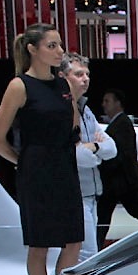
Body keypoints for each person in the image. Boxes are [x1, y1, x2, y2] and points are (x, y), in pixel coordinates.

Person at [0, 23, 84, 275]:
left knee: (74, 240)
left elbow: (73, 126)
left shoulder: (63, 84)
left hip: (66, 169)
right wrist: (24, 161)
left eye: (60, 45)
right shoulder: (19, 86)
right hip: (36, 174)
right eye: (52, 46)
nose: (60, 51)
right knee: (39, 245)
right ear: (33, 49)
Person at [59, 53, 116, 262]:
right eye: (78, 74)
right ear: (63, 77)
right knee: (85, 256)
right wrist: (96, 151)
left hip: (91, 194)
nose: (85, 79)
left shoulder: (86, 109)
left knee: (85, 254)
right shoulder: (61, 110)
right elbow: (77, 156)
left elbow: (112, 148)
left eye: (87, 74)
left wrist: (93, 147)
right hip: (74, 194)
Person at [97, 89, 138, 248]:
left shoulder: (122, 124)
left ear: (118, 103)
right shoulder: (118, 123)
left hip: (119, 180)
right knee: (130, 210)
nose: (104, 105)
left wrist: (103, 165)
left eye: (107, 101)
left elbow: (122, 154)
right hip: (118, 181)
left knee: (111, 213)